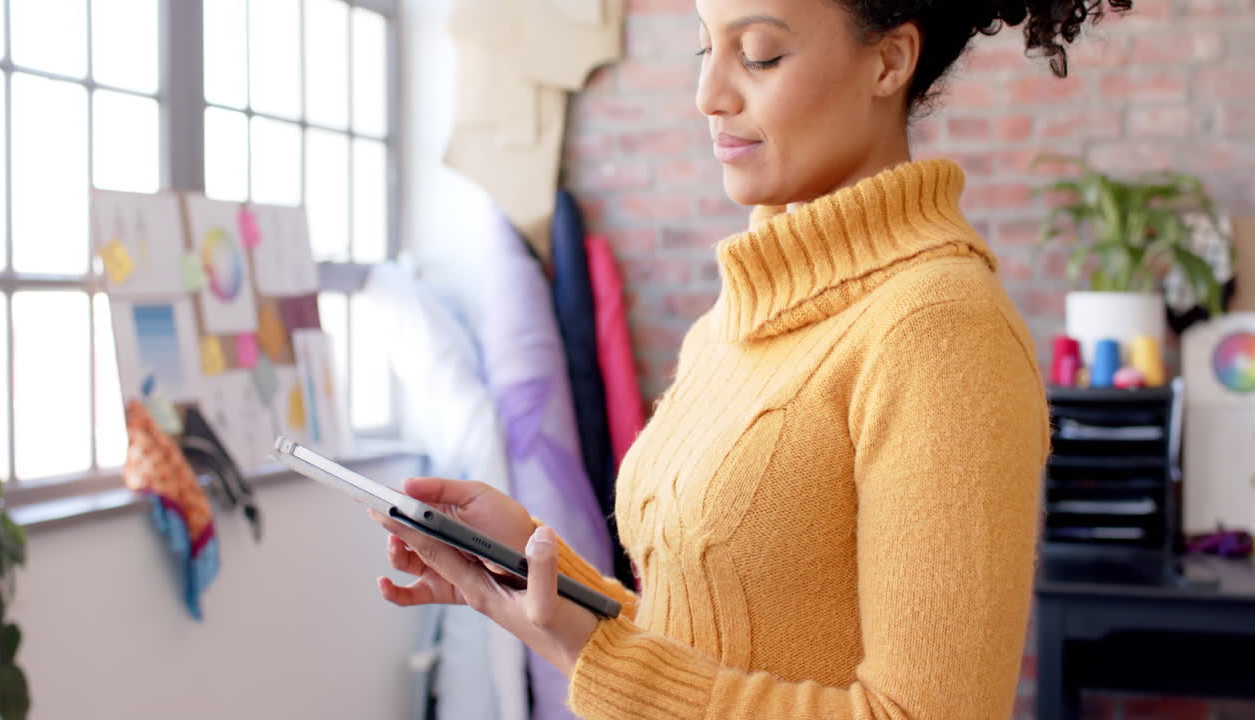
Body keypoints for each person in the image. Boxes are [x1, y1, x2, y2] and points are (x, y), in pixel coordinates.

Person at [369, 0, 1130, 717]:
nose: (708, 93)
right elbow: (705, 643)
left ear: (890, 61)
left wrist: (593, 647)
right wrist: (551, 583)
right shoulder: (735, 315)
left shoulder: (940, 331)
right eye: (706, 46)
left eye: (759, 55)